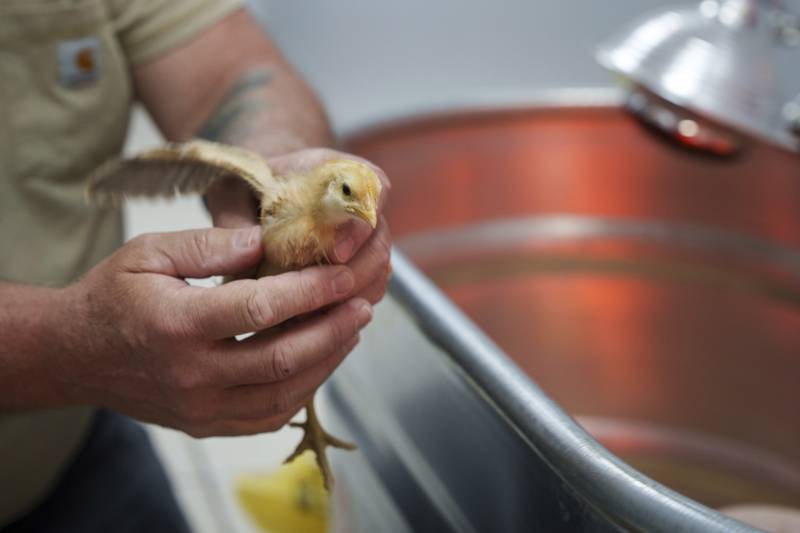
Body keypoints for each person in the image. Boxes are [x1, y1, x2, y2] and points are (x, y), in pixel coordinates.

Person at [0, 1, 391, 531]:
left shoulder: (319, 209)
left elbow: (230, 73)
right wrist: (58, 347)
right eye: (346, 192)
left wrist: (278, 150)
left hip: (75, 445)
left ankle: (311, 419)